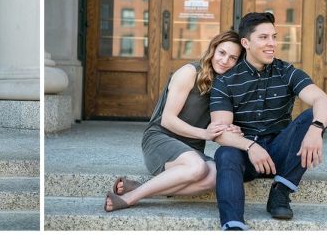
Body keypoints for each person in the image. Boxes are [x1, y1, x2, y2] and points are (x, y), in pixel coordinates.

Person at [209, 12, 327, 230]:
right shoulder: (226, 82)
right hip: (247, 156)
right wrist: (251, 146)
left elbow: (323, 100)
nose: (272, 44)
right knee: (224, 153)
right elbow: (220, 132)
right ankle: (233, 224)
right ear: (246, 43)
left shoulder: (285, 71)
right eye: (264, 38)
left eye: (274, 37)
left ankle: (281, 191)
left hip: (280, 153)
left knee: (311, 117)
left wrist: (316, 129)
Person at [104, 30, 243, 212]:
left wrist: (233, 130)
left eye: (233, 58)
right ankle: (130, 198)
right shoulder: (189, 72)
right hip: (160, 139)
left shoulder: (227, 86)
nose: (225, 61)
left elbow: (221, 123)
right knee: (198, 168)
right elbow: (168, 121)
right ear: (213, 50)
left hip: (190, 147)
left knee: (217, 175)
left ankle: (140, 188)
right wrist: (204, 134)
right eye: (222, 53)